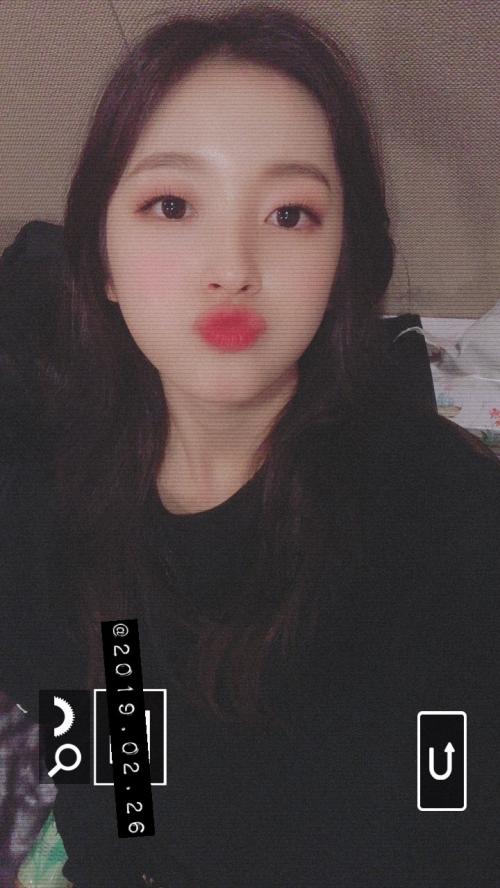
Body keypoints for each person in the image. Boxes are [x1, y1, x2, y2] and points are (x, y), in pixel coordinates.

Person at [2, 4, 500, 886]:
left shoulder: (443, 522)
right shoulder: (58, 516)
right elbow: (113, 777)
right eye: (172, 205)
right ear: (103, 261)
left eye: (290, 214)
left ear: (343, 257)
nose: (232, 266)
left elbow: (452, 799)